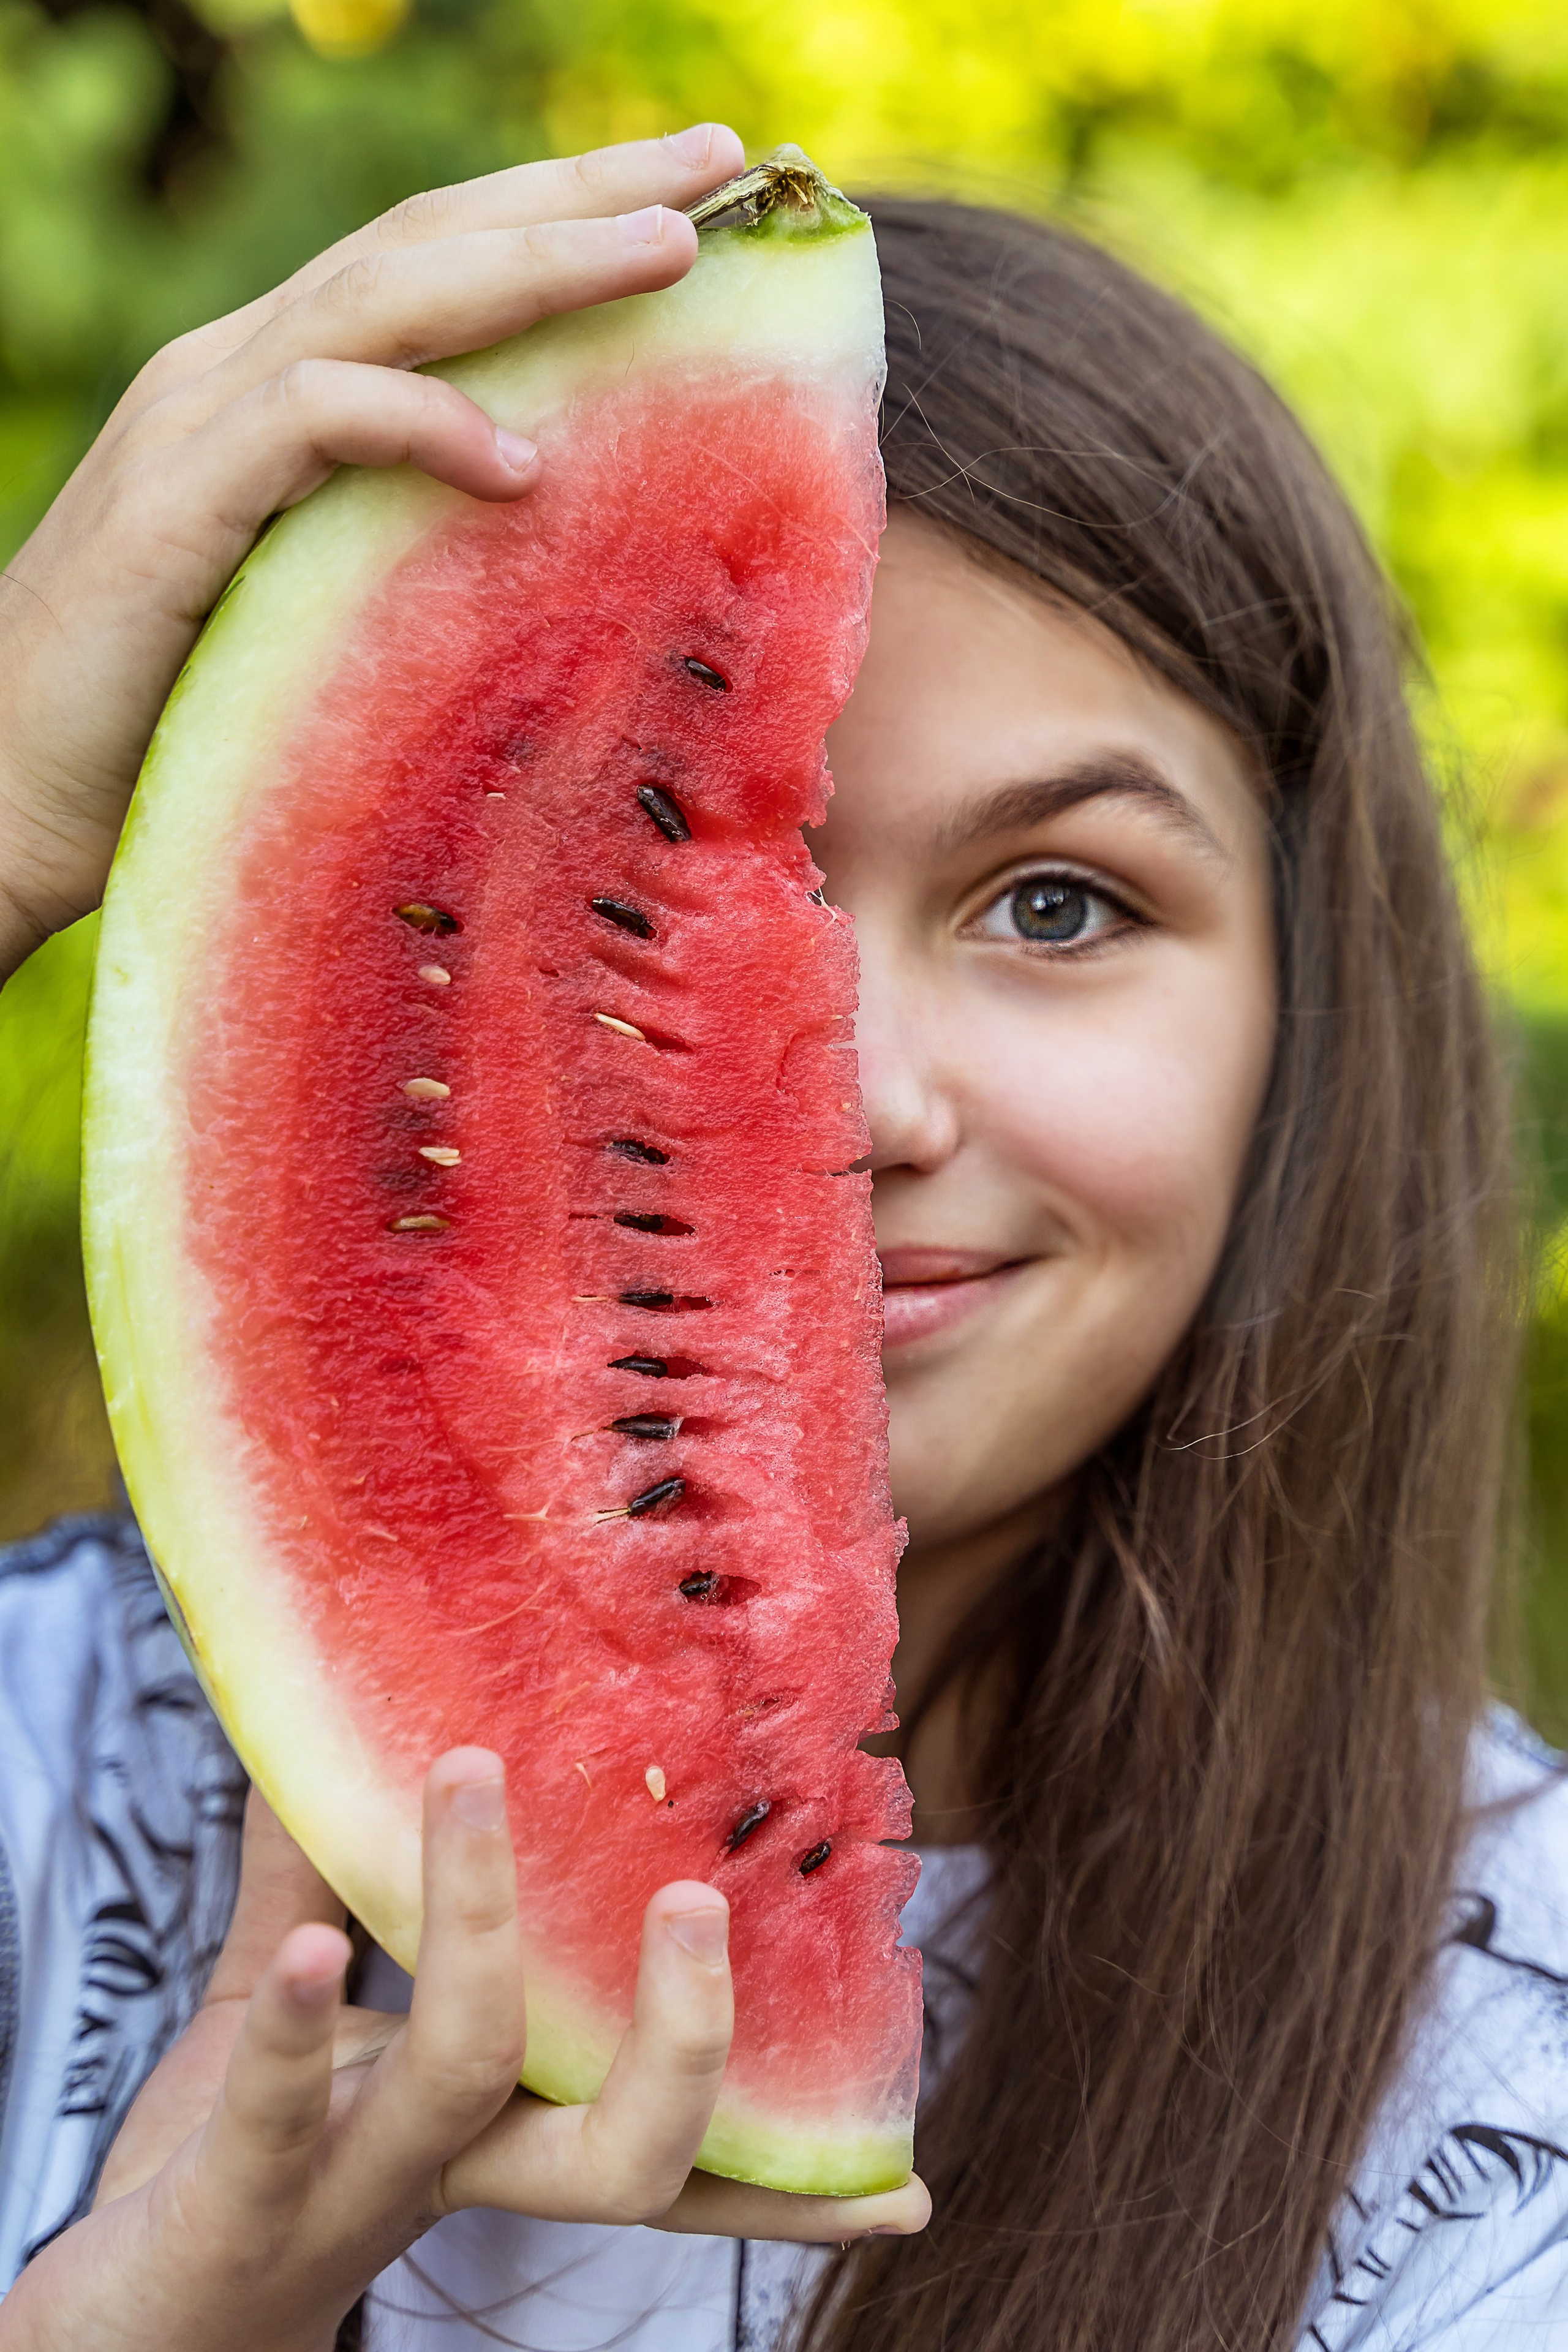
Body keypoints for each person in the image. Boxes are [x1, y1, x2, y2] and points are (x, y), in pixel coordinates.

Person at [0, 120, 1564, 2352]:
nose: (847, 1096)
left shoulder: (1509, 2099)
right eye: (666, 859)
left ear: (1311, 1016)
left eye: (1060, 904)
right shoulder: (51, 1765)